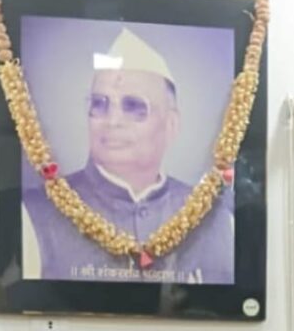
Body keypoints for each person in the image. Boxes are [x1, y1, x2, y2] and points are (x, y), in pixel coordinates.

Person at [24, 27, 234, 285]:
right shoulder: (35, 214)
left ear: (171, 125)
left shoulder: (218, 221)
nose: (112, 121)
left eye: (134, 106)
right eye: (99, 104)